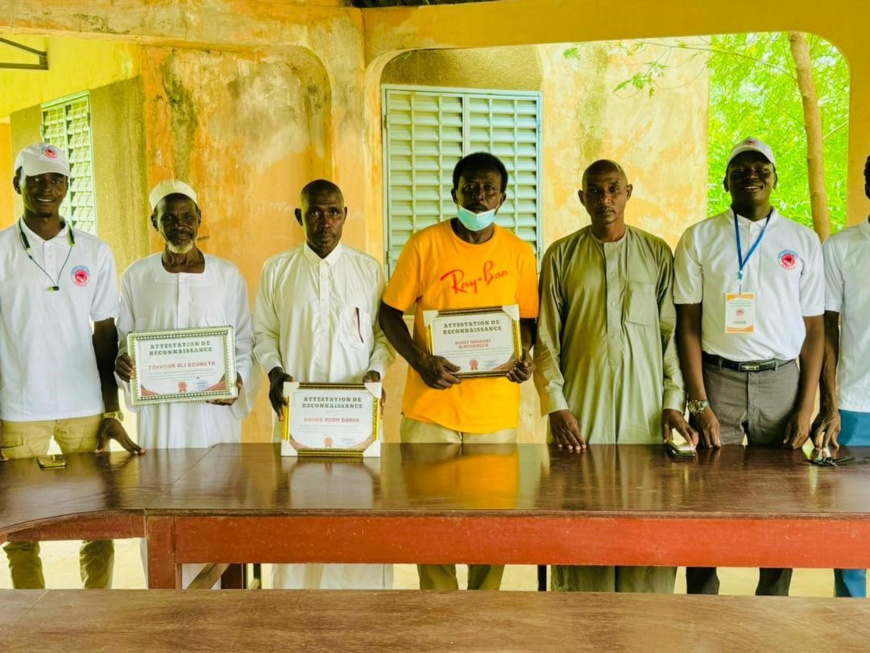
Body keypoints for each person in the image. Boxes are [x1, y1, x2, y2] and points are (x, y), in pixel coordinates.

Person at [379, 152, 538, 590]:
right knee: (430, 521)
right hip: (431, 409)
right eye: (470, 187)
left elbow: (528, 322)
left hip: (494, 414)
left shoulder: (519, 253)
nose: (479, 196)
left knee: (491, 525)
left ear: (503, 197)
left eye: (489, 188)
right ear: (455, 193)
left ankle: (481, 613)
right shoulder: (423, 245)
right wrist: (420, 361)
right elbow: (389, 314)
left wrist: (524, 356)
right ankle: (439, 612)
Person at [534, 159, 694, 593]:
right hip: (581, 418)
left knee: (647, 532)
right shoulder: (561, 255)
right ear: (581, 197)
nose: (605, 199)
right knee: (582, 533)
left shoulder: (657, 253)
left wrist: (673, 402)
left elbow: (670, 336)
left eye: (613, 189)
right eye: (595, 191)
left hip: (646, 420)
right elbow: (546, 340)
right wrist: (556, 405)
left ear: (628, 192)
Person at [674, 137, 824, 596]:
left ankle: (772, 600)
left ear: (775, 178)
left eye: (761, 168)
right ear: (725, 181)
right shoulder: (700, 237)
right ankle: (703, 598)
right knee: (705, 495)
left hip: (781, 382)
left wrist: (806, 406)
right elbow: (688, 327)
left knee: (782, 501)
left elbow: (816, 330)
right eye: (740, 168)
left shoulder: (801, 240)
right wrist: (698, 400)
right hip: (717, 379)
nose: (751, 175)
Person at [0, 142, 143, 590]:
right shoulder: (2, 249)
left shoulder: (95, 251)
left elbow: (105, 335)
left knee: (98, 521)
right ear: (18, 183)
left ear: (67, 186)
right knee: (20, 530)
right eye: (37, 179)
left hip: (83, 406)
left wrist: (112, 411)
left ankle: (95, 610)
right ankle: (32, 616)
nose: (47, 188)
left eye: (56, 179)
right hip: (20, 408)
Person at [253, 179, 393, 590]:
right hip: (298, 421)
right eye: (314, 212)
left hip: (355, 421)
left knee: (358, 514)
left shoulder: (368, 270)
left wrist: (376, 374)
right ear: (299, 216)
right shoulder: (276, 270)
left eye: (334, 212)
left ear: (346, 216)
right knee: (298, 514)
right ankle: (296, 613)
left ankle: (360, 618)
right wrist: (274, 371)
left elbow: (382, 339)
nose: (324, 221)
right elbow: (264, 335)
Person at [114, 180, 254, 588]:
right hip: (162, 422)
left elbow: (243, 341)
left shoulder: (227, 276)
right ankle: (167, 599)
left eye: (187, 216)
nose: (180, 225)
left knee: (219, 503)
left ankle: (222, 600)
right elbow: (125, 338)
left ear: (200, 219)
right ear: (153, 221)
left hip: (214, 422)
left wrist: (237, 382)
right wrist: (123, 364)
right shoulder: (136, 276)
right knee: (164, 505)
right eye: (169, 218)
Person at [811, 154, 870, 597]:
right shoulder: (841, 248)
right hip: (856, 405)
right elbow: (826, 332)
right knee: (852, 526)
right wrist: (829, 405)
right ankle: (852, 621)